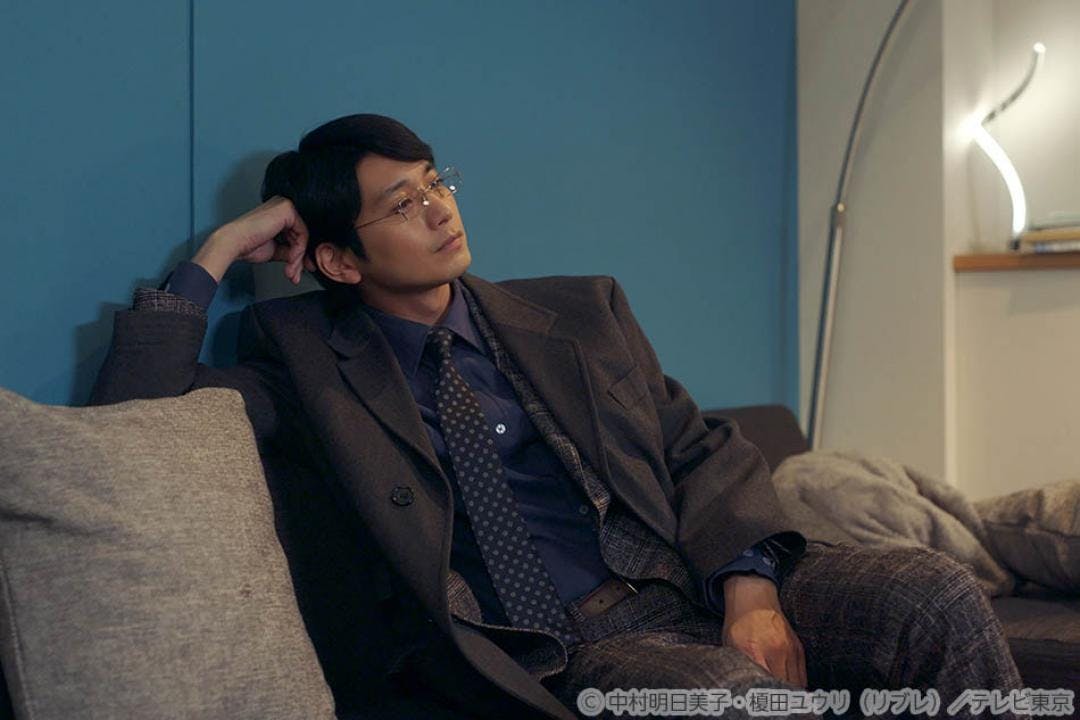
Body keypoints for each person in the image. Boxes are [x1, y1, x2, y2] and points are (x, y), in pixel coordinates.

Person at [91, 114, 1023, 719]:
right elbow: (136, 423)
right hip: (555, 650)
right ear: (338, 261)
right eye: (403, 204)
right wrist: (221, 250)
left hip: (687, 584)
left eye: (436, 182)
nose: (440, 211)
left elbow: (700, 449)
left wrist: (752, 590)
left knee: (929, 592)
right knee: (724, 695)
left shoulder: (579, 312)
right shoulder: (302, 364)